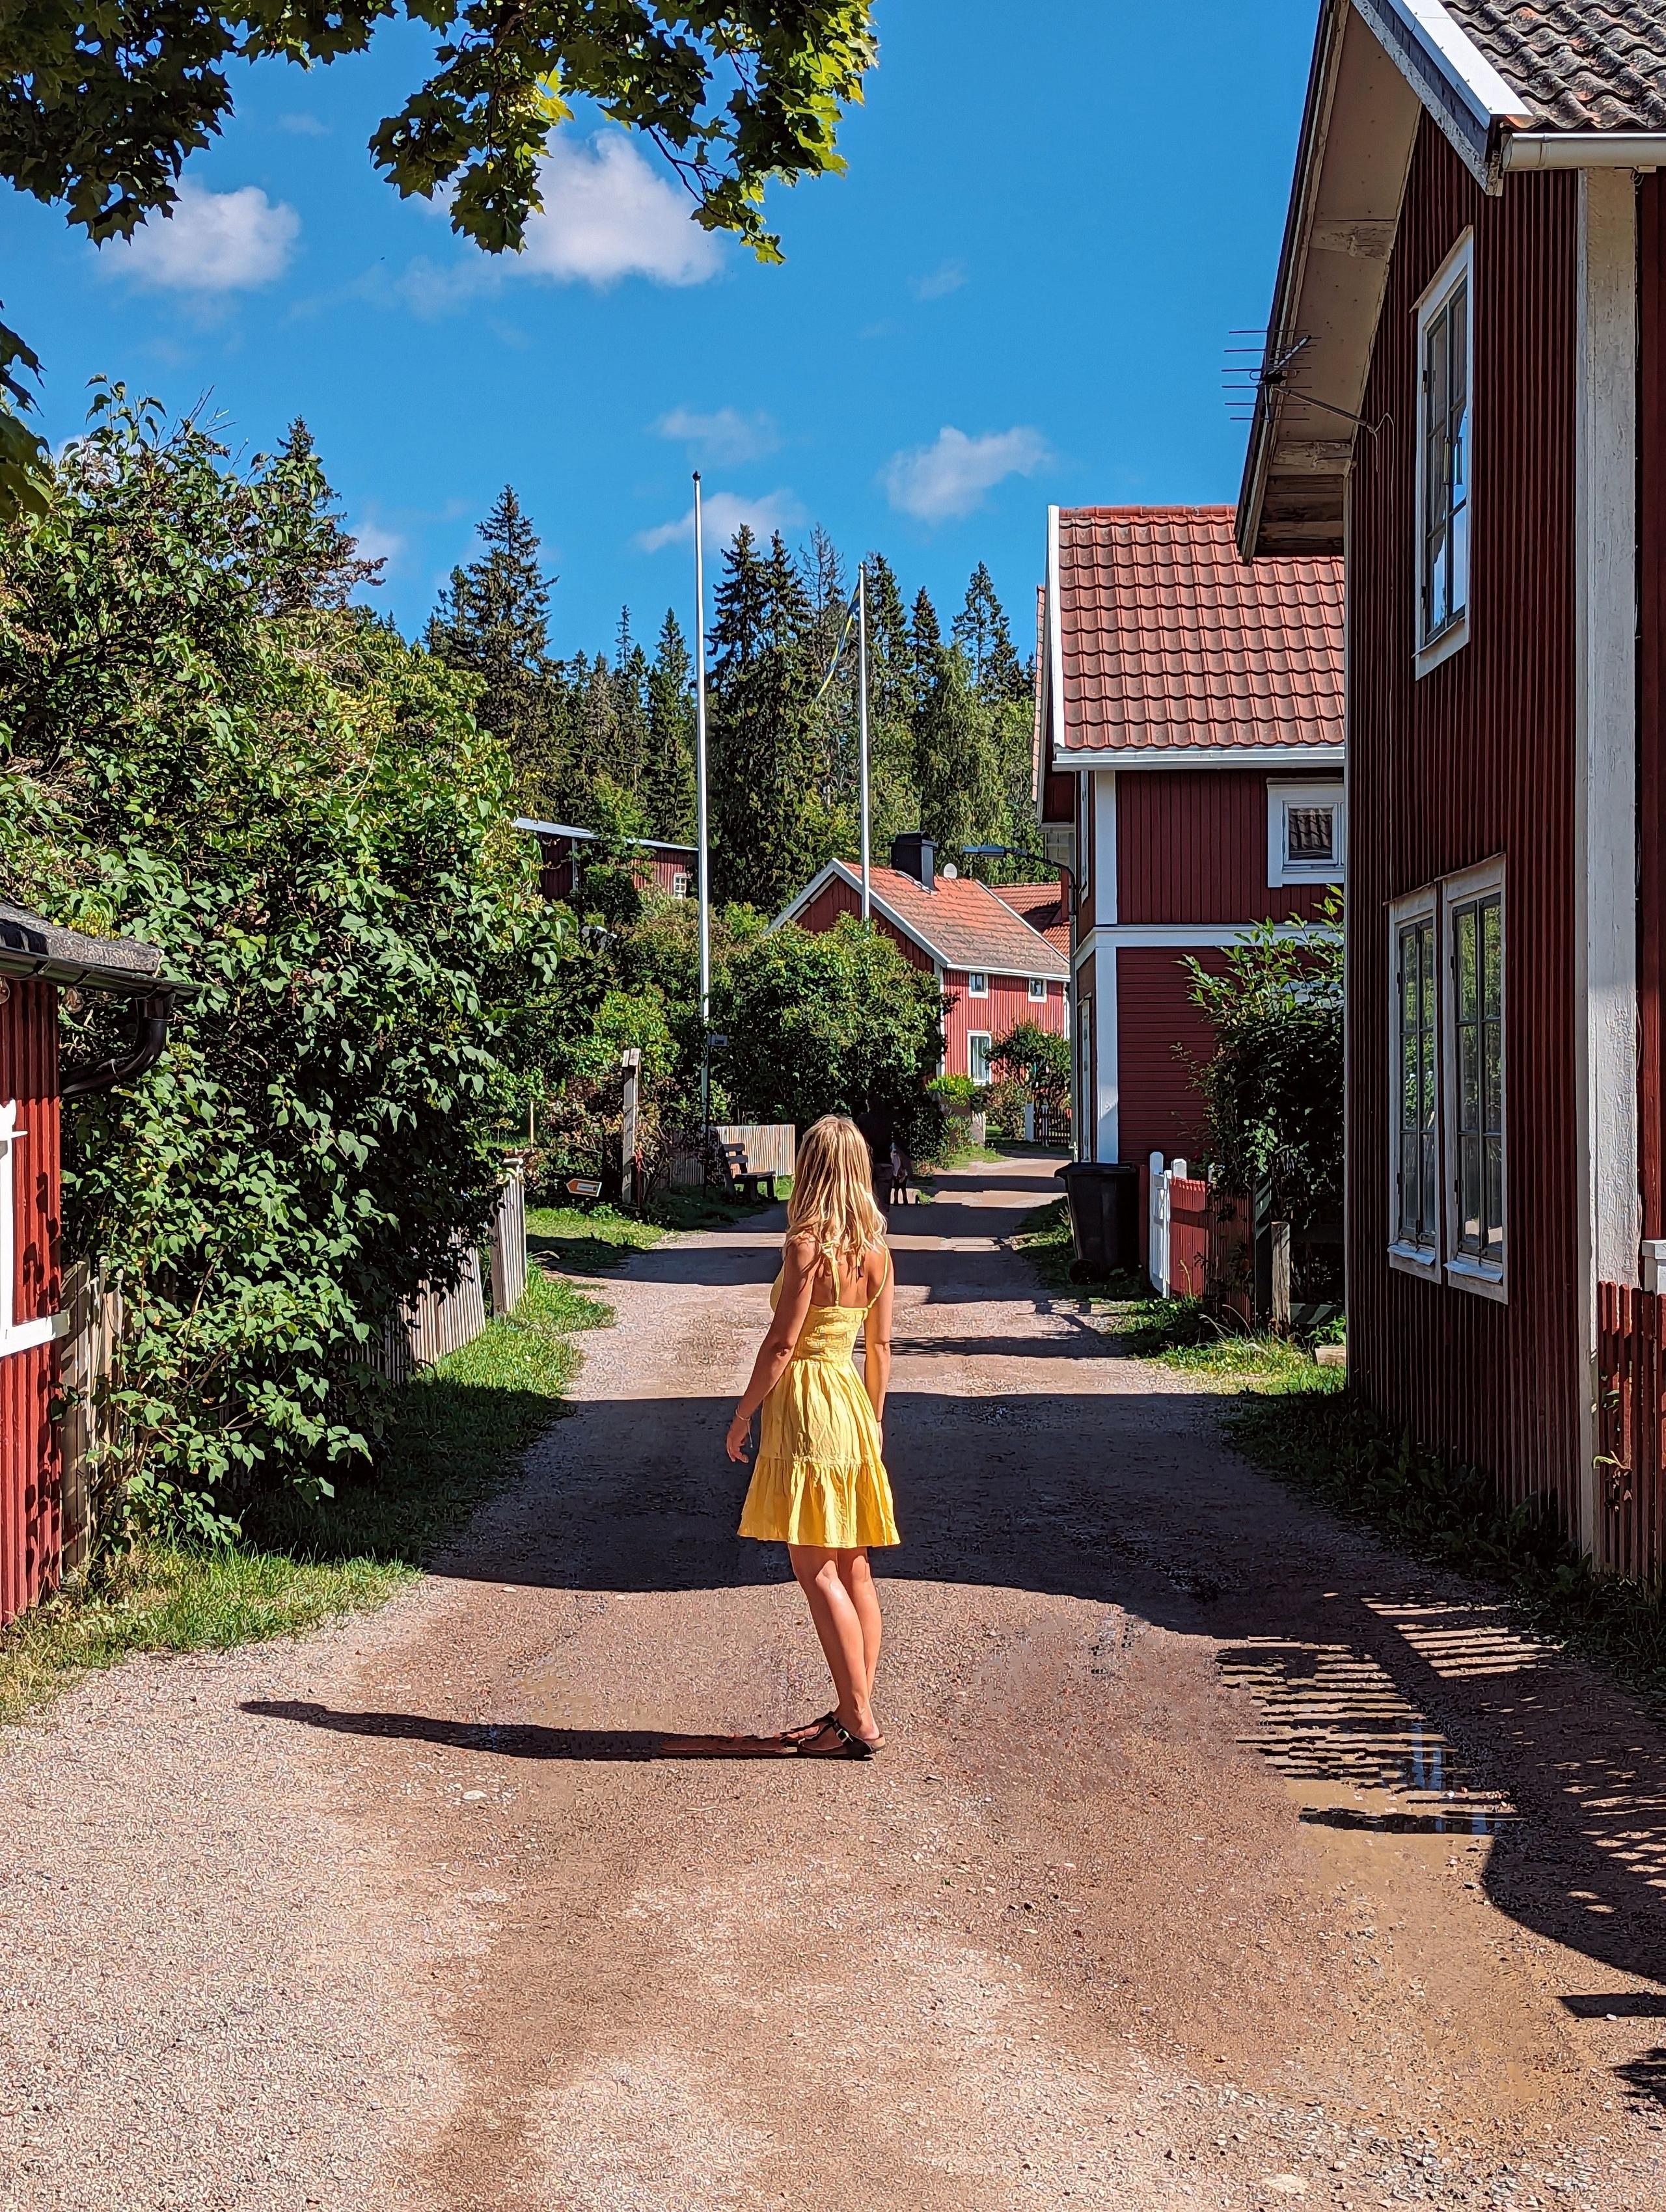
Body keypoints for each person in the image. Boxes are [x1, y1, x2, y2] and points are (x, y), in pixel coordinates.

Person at [727, 1113, 898, 1759]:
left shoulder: (806, 1246)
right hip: (851, 1404)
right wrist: (876, 1422)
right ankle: (852, 1711)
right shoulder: (877, 1252)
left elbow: (781, 1345)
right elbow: (879, 1346)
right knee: (853, 1565)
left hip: (806, 1401)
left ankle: (858, 1717)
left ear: (812, 1171)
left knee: (812, 1563)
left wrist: (744, 1412)